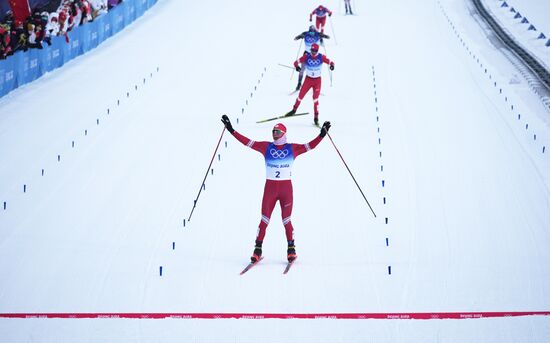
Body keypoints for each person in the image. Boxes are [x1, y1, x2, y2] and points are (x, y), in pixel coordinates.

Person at [220, 115, 331, 263]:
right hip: (270, 190)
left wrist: (322, 135)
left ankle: (291, 249)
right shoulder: (266, 147)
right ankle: (257, 249)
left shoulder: (292, 148)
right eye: (273, 131)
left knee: (286, 220)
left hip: (286, 190)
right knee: (264, 220)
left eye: (278, 132)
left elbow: (310, 146)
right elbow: (247, 142)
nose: (274, 134)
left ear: (284, 134)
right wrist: (231, 130)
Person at [287, 43, 334, 126]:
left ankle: (316, 118)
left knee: (315, 99)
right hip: (308, 80)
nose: (313, 52)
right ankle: (294, 110)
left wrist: (332, 66)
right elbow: (296, 62)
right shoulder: (306, 56)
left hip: (317, 81)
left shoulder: (321, 57)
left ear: (317, 50)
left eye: (315, 51)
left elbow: (331, 62)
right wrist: (297, 67)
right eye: (312, 50)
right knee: (300, 96)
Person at [293, 25, 330, 91]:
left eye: (313, 32)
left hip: (316, 55)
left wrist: (323, 36)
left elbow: (327, 37)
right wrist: (299, 36)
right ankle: (299, 83)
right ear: (308, 31)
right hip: (307, 55)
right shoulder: (305, 33)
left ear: (315, 31)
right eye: (310, 32)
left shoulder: (318, 34)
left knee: (315, 70)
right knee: (302, 69)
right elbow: (296, 38)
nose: (311, 34)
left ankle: (315, 86)